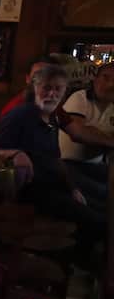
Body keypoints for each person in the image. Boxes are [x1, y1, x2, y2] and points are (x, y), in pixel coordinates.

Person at [0, 64, 107, 248]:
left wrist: (72, 188)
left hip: (53, 186)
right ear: (34, 88)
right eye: (46, 88)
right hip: (31, 190)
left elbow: (56, 160)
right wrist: (16, 153)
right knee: (98, 222)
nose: (52, 94)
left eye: (58, 89)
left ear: (64, 93)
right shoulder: (20, 115)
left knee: (102, 210)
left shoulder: (52, 118)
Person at [57, 61, 113, 206]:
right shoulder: (80, 97)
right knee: (104, 196)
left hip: (96, 165)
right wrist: (109, 140)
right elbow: (79, 134)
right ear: (95, 79)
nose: (110, 85)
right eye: (106, 78)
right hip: (68, 164)